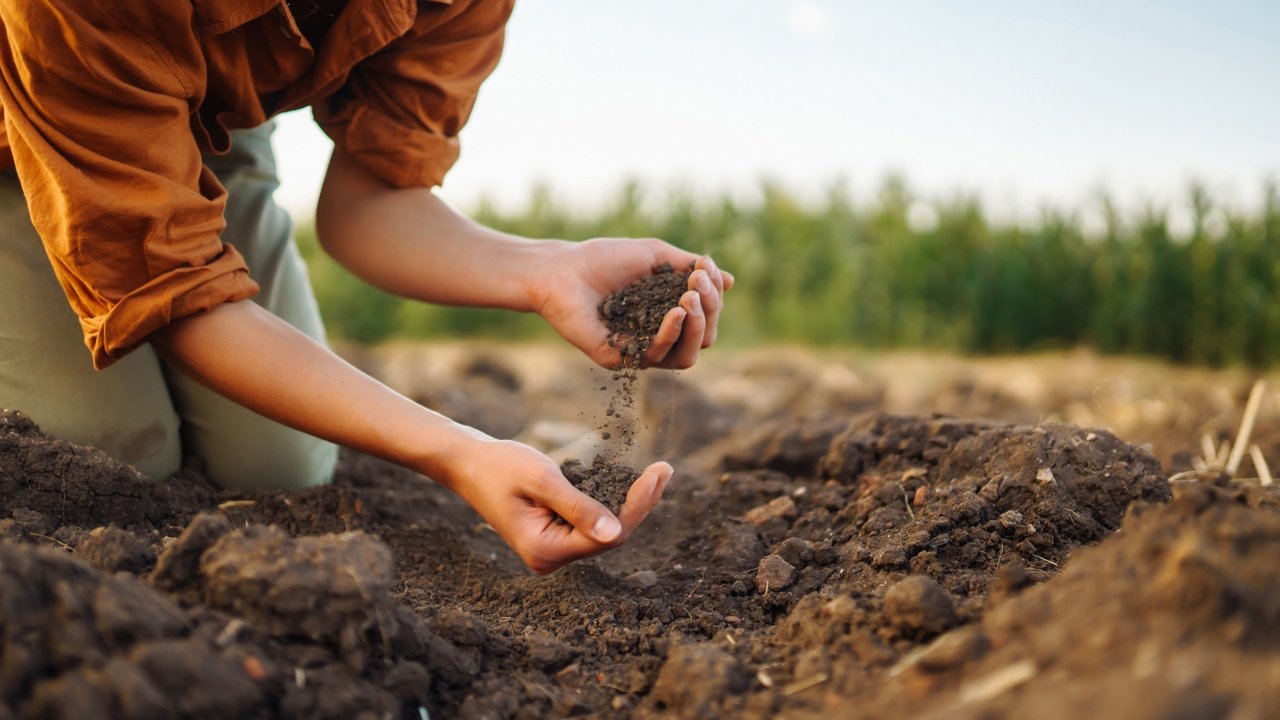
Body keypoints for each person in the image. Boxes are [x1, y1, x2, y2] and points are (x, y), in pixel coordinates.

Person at [0, 0, 732, 574]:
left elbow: (371, 203)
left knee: (279, 468)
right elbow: (172, 288)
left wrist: (544, 269)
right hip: (29, 113)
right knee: (111, 465)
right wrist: (455, 451)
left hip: (202, 122)